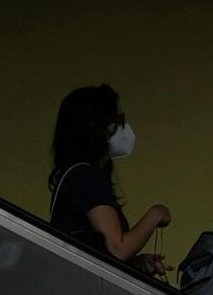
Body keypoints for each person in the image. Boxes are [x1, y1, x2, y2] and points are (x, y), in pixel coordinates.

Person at [48, 84, 172, 277]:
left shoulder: (74, 176)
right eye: (116, 121)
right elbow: (118, 248)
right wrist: (157, 213)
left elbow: (99, 252)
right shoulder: (86, 177)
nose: (122, 128)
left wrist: (135, 264)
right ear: (95, 127)